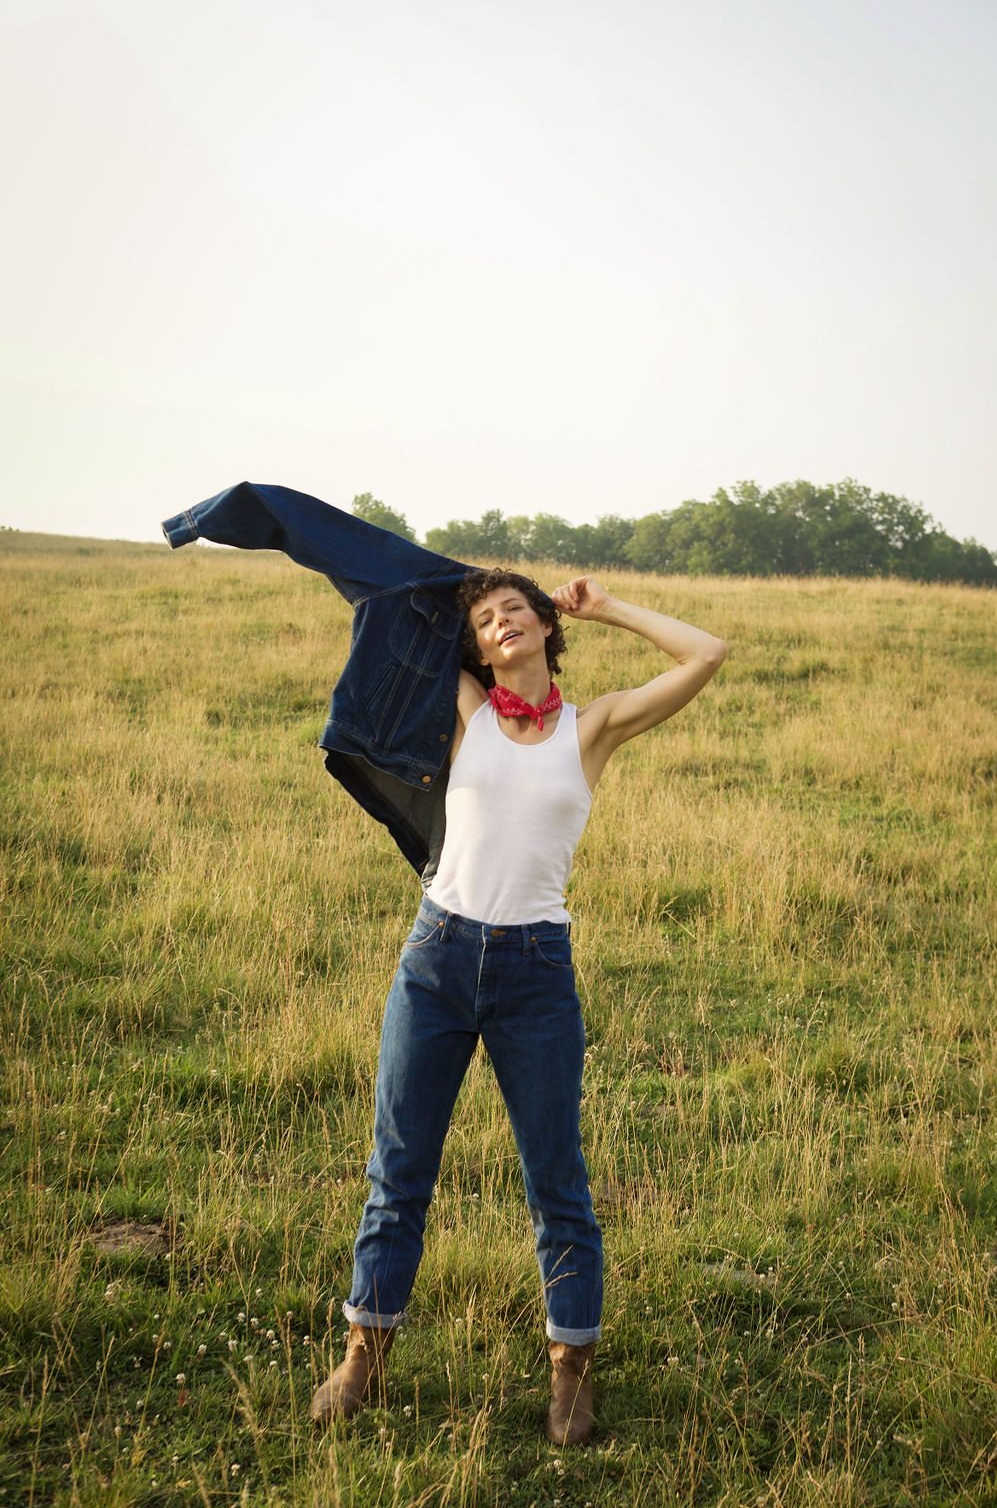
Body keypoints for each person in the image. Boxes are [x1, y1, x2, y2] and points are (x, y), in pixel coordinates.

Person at [310, 566, 727, 1445]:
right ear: (477, 649)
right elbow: (391, 612)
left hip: (536, 973)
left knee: (556, 1181)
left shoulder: (591, 729)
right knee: (399, 1170)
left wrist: (607, 607)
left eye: (514, 610)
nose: (500, 623)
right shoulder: (466, 709)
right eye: (484, 621)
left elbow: (707, 653)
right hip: (437, 959)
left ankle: (571, 1368)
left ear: (544, 625)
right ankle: (364, 1353)